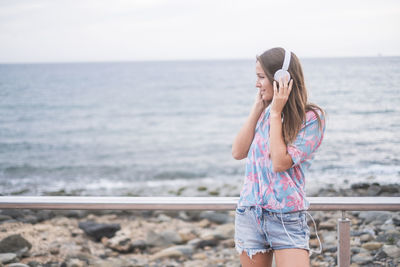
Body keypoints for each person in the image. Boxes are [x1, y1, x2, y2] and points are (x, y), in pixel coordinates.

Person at [232, 47, 325, 267]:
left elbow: (280, 163)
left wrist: (275, 113)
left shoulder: (311, 118)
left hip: (287, 219)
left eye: (261, 77)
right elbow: (237, 152)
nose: (256, 84)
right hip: (250, 214)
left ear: (281, 79)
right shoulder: (264, 113)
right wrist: (258, 108)